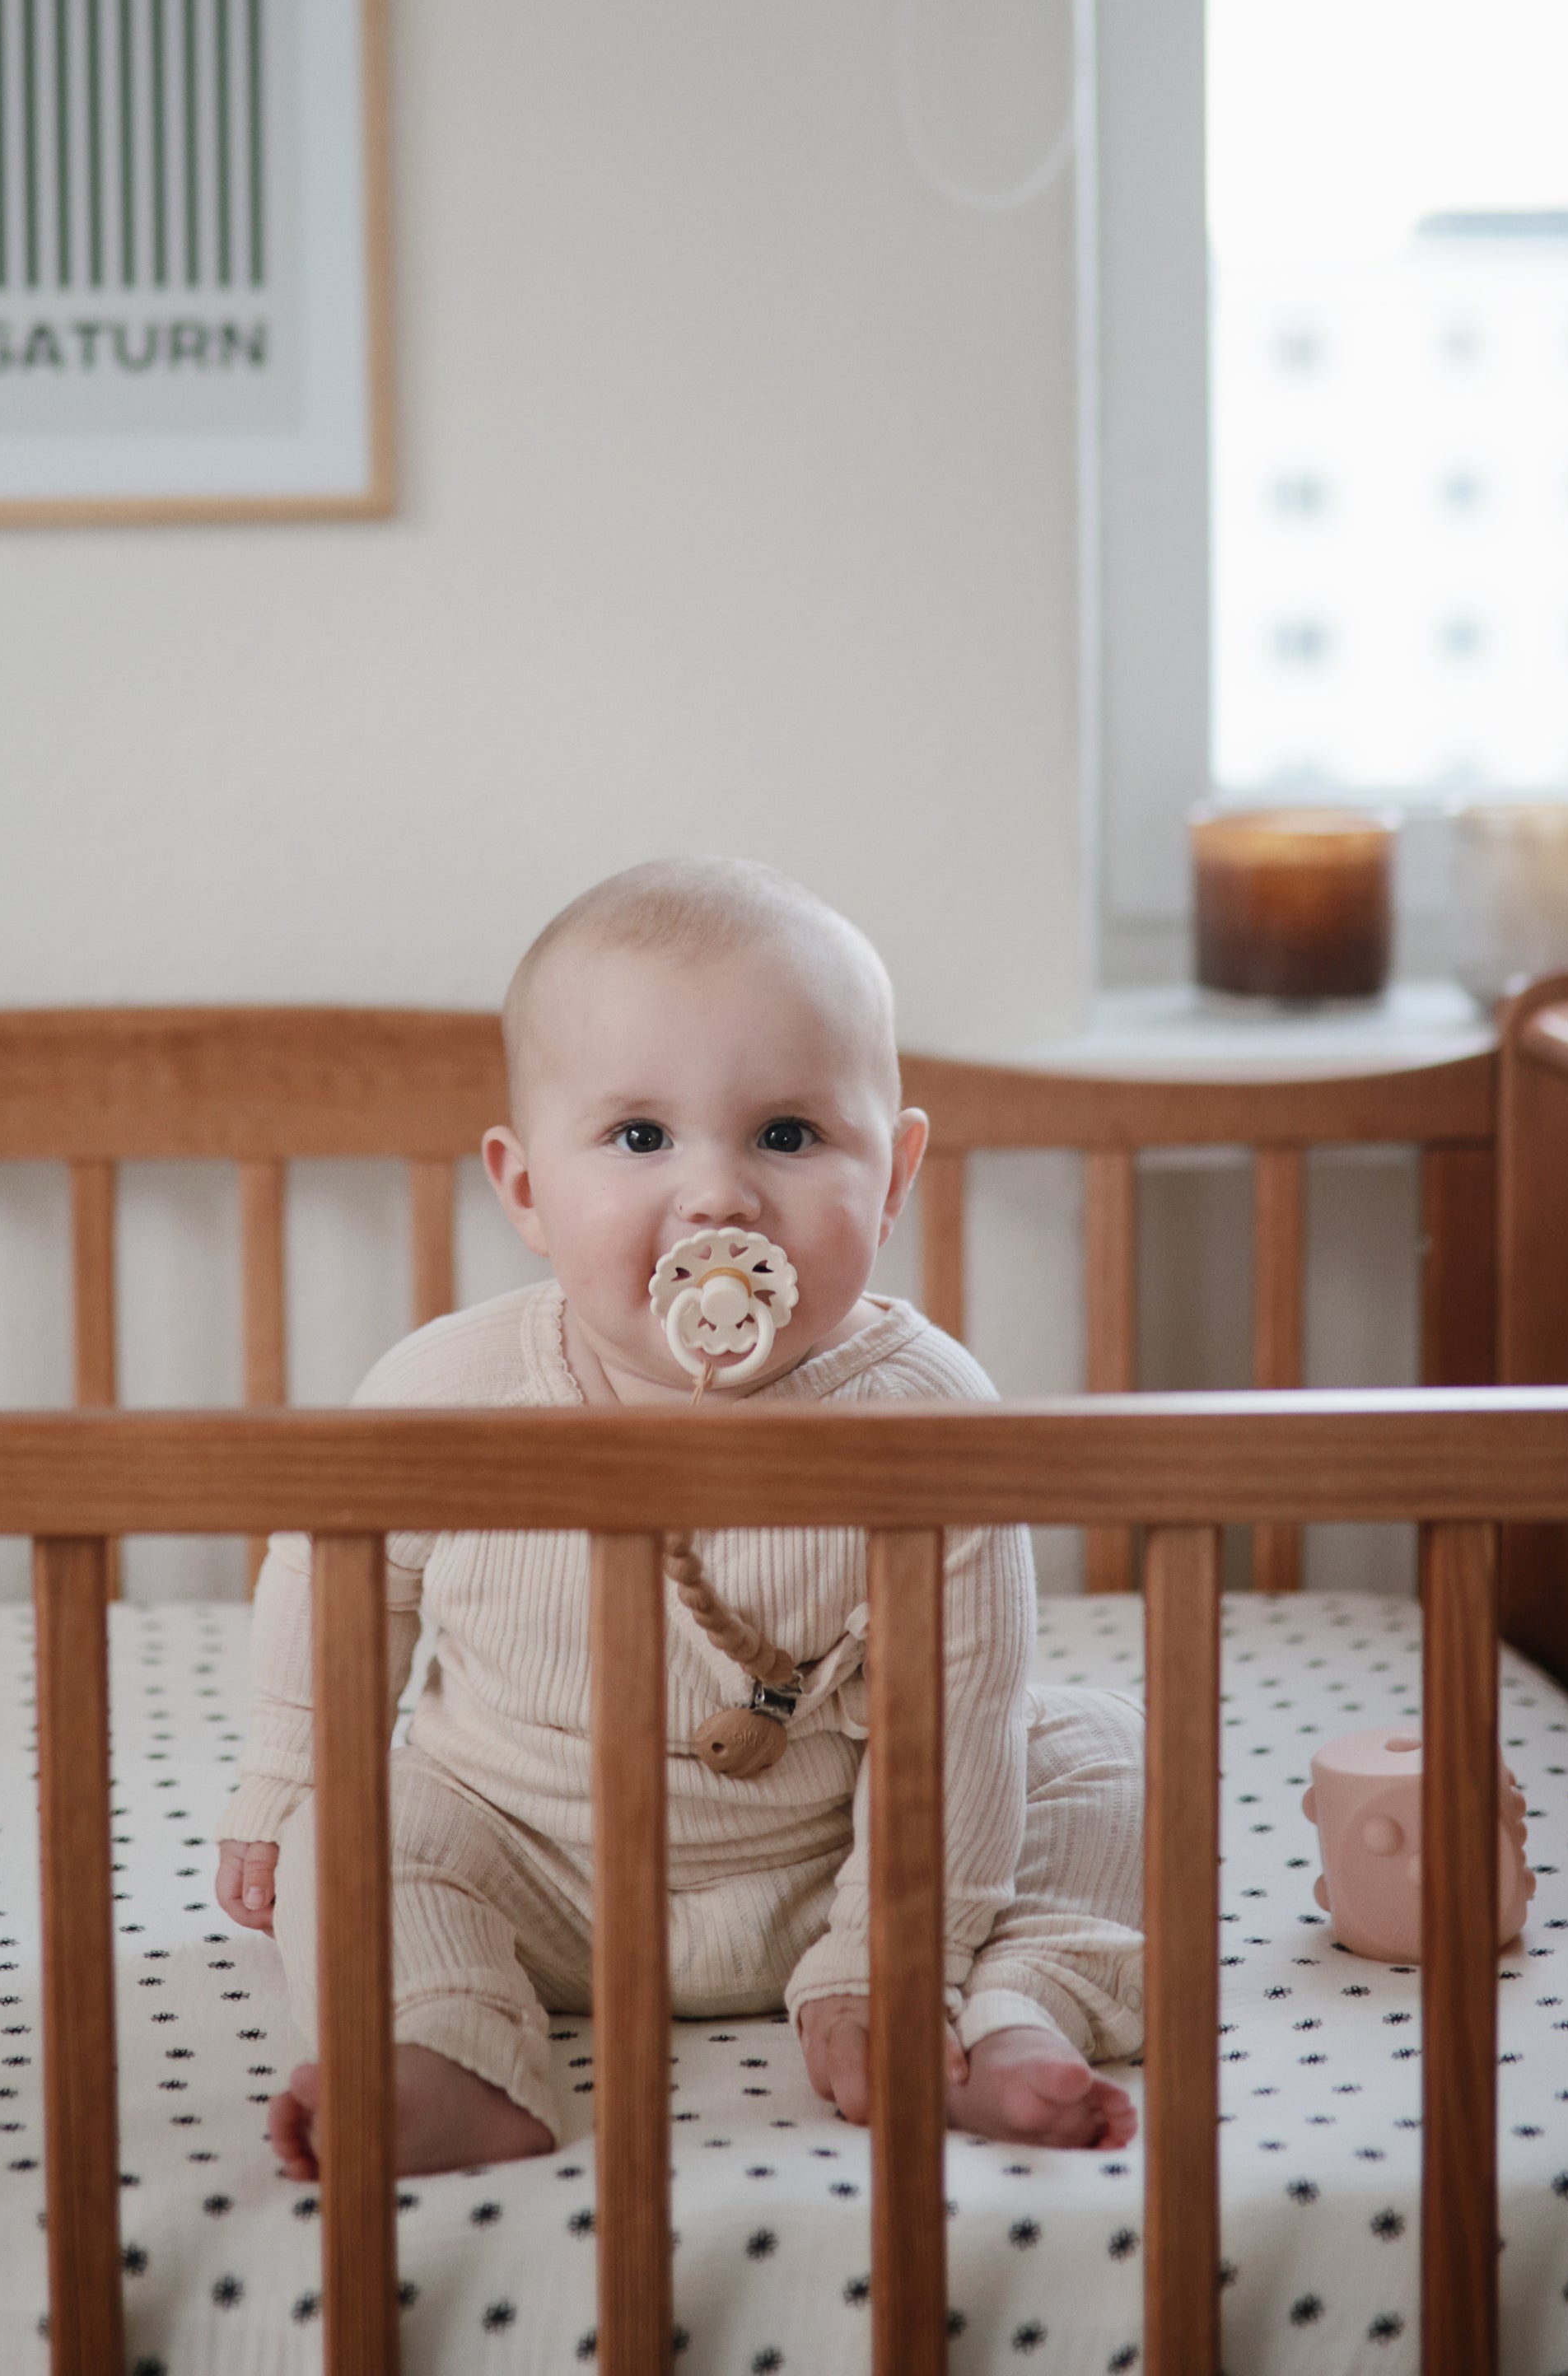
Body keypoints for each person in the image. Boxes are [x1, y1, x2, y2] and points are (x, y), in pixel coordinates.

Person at [216, 858, 1144, 2178]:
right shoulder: (448, 1391)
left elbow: (958, 1716)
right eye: (641, 1138)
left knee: (1106, 1750)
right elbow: (335, 1583)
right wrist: (284, 1775)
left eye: (786, 1134)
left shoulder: (930, 1416)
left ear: (894, 1175)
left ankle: (1007, 2014)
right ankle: (445, 2044)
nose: (718, 1199)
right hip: (529, 1871)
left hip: (845, 1870)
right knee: (358, 1829)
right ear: (526, 1188)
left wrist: (896, 1961)